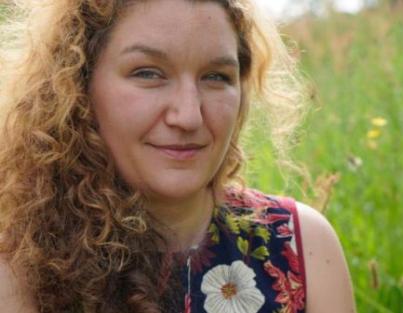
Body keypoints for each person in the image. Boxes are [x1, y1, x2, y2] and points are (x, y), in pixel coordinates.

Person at [0, 0, 356, 312]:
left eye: (216, 77)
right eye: (148, 73)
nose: (189, 115)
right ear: (78, 88)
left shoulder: (301, 247)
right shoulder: (18, 262)